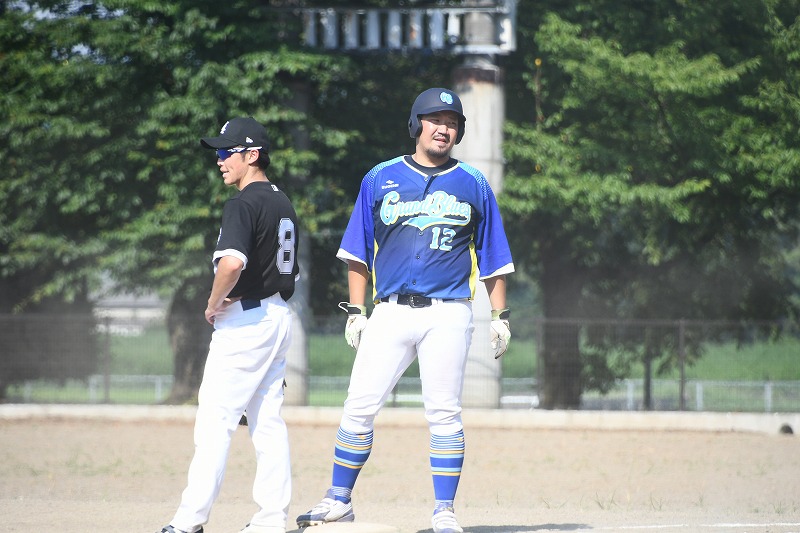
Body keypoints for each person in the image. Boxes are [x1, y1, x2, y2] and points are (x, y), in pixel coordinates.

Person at [296, 88, 513, 533]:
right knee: (358, 406)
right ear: (416, 124)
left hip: (448, 312)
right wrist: (356, 310)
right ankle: (338, 500)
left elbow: (494, 256)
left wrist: (500, 317)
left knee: (444, 412)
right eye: (435, 119)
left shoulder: (473, 182)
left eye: (451, 122)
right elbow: (357, 250)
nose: (443, 128)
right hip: (390, 311)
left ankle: (444, 511)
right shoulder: (381, 177)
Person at [158, 117, 300, 533]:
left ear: (252, 155)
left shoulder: (243, 203)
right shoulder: (282, 201)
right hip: (277, 316)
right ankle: (271, 519)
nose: (219, 160)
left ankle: (189, 521)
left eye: (226, 152)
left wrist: (213, 301)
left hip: (246, 325)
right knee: (267, 423)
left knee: (215, 422)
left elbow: (232, 263)